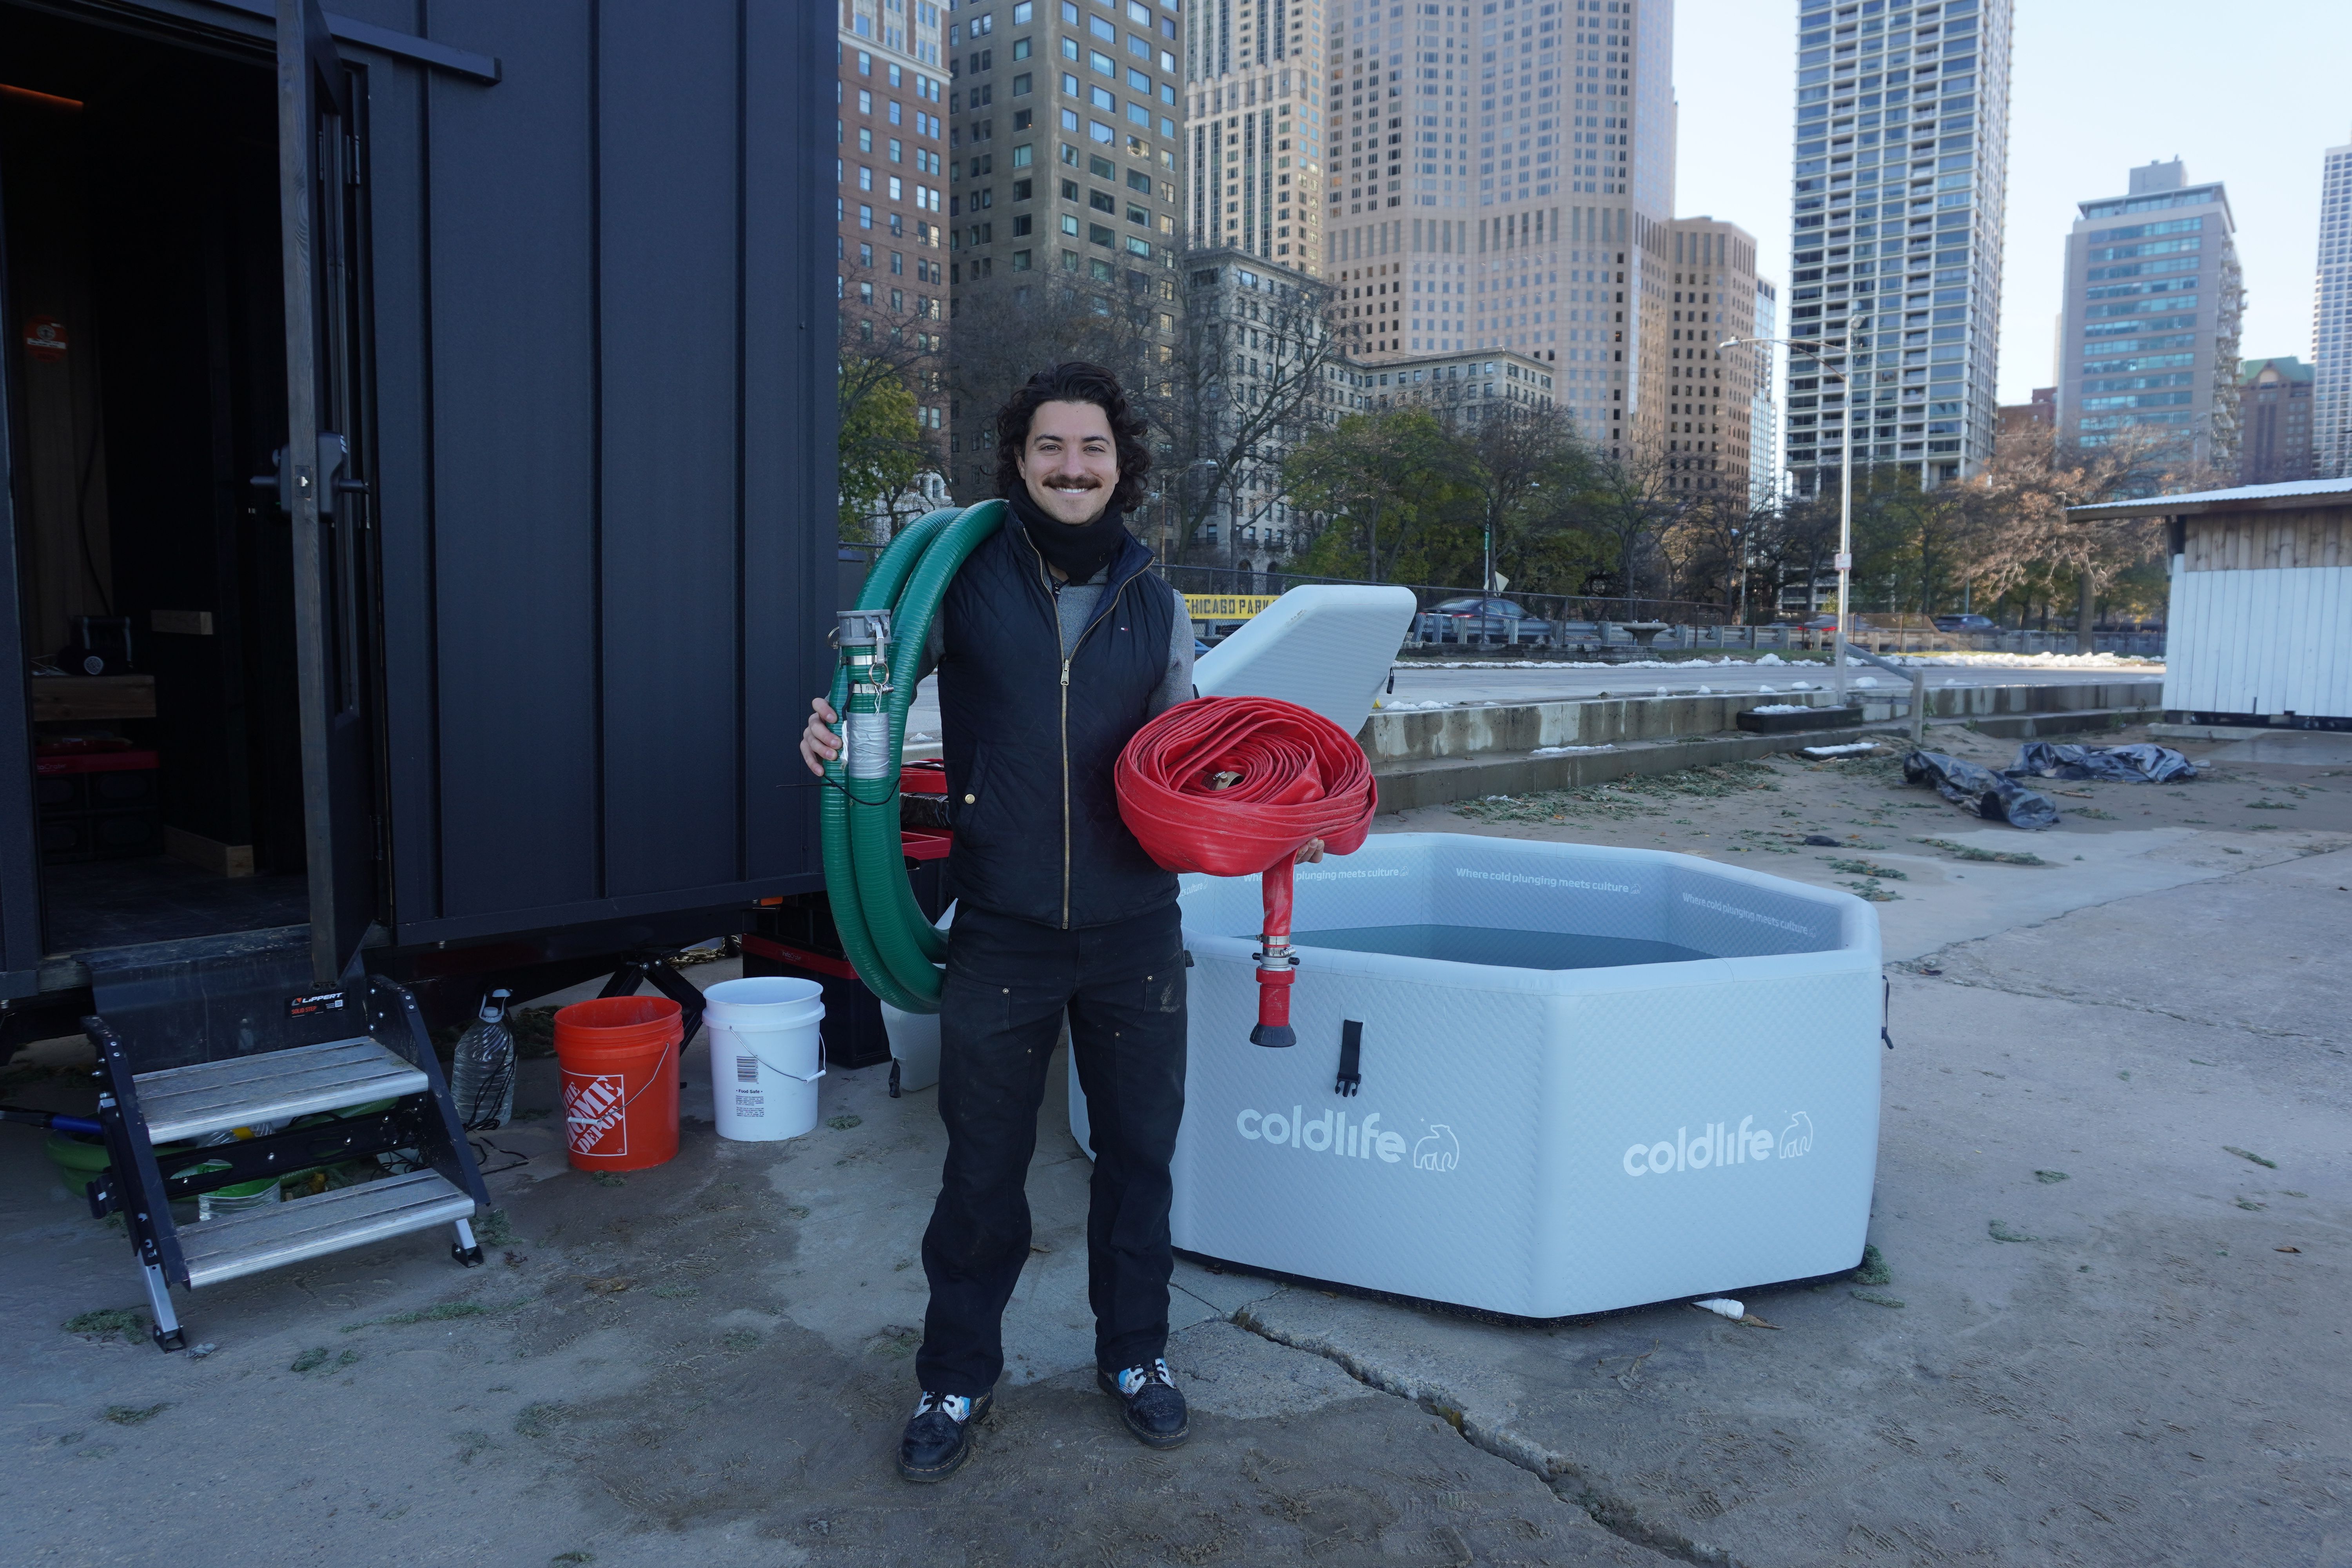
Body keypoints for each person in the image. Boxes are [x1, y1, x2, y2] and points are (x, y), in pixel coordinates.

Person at [801, 362, 1323, 1483]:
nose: (1073, 467)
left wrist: (1279, 812)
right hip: (1003, 927)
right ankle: (955, 1376)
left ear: (1120, 463)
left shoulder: (1158, 598)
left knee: (1139, 1160)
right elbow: (874, 688)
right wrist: (834, 726)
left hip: (1138, 928)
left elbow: (1191, 759)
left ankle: (1135, 1356)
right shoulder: (964, 581)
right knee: (982, 1170)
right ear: (1021, 459)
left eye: (1092, 449)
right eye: (1051, 448)